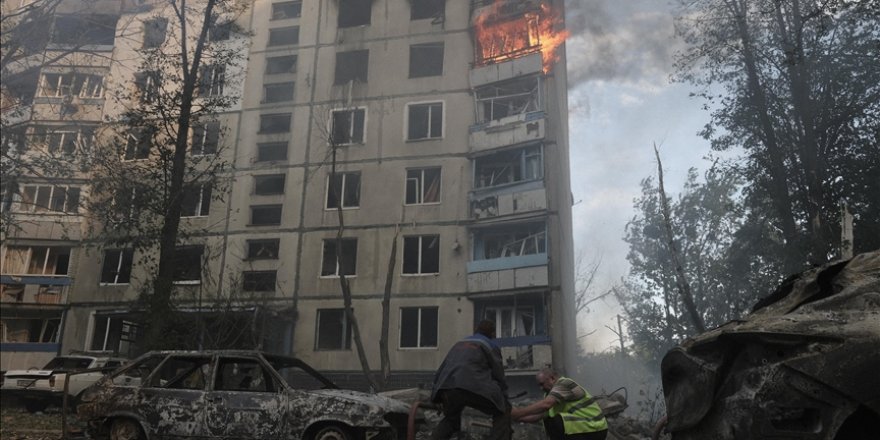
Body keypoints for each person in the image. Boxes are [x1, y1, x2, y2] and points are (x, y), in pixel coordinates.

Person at [429, 320, 512, 440]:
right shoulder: (489, 345)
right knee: (503, 410)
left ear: (476, 331)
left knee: (452, 418)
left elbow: (441, 370)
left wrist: (435, 397)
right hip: (473, 387)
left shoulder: (458, 344)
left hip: (448, 388)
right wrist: (504, 397)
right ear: (492, 333)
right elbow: (499, 375)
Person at [511, 367, 608, 440]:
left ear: (552, 378)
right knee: (549, 420)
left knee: (555, 422)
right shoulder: (550, 394)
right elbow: (539, 415)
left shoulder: (564, 384)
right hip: (584, 430)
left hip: (594, 427)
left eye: (542, 384)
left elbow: (545, 405)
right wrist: (515, 418)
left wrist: (517, 412)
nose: (541, 388)